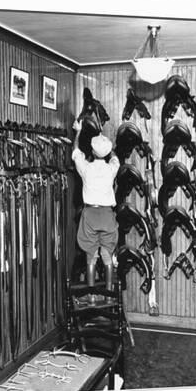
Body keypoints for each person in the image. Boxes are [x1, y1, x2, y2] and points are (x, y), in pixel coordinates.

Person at [72, 119, 120, 291]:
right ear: (106, 153)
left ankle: (91, 295)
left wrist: (78, 131)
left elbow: (76, 152)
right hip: (107, 215)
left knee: (91, 256)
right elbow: (115, 159)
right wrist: (108, 147)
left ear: (92, 151)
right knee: (107, 255)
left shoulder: (86, 168)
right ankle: (108, 292)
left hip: (90, 215)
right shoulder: (112, 168)